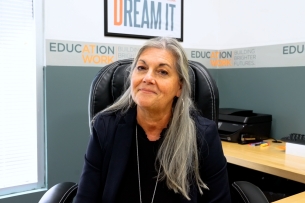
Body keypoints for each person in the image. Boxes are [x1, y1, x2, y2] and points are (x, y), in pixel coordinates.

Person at [73, 37, 231, 203]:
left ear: (179, 87)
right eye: (141, 68)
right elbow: (85, 198)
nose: (147, 78)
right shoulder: (105, 127)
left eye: (162, 72)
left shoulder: (204, 135)